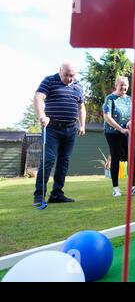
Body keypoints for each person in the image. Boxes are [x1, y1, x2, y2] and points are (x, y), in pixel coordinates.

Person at [33, 62, 86, 208]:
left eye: (72, 75)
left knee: (64, 162)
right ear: (60, 71)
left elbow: (81, 107)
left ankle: (57, 194)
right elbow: (38, 97)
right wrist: (41, 115)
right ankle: (39, 195)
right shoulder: (49, 80)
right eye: (67, 75)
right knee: (48, 159)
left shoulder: (79, 86)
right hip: (52, 128)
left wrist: (82, 125)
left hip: (70, 130)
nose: (70, 78)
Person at [103, 76, 135, 197]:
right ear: (116, 85)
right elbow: (107, 117)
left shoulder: (130, 100)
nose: (124, 87)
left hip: (127, 132)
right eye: (121, 85)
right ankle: (116, 189)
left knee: (131, 158)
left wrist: (132, 122)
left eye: (125, 85)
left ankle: (132, 187)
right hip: (112, 133)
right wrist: (120, 129)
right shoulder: (110, 99)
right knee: (116, 158)